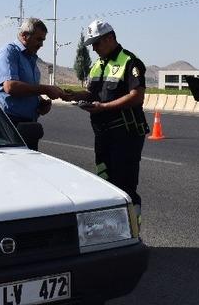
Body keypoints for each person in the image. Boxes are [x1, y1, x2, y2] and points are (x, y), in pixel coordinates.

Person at [63, 20, 149, 223]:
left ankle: (133, 232)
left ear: (109, 38)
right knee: (104, 183)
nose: (93, 48)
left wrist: (103, 107)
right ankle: (111, 230)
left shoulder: (130, 61)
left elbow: (137, 96)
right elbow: (92, 93)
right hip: (103, 135)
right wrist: (73, 95)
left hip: (125, 136)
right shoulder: (97, 65)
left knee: (125, 187)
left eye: (96, 43)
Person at [0, 18, 64, 151]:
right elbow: (10, 87)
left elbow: (28, 89)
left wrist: (40, 102)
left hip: (28, 124)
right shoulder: (8, 53)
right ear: (24, 35)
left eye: (43, 40)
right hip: (8, 123)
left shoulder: (31, 58)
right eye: (38, 39)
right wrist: (46, 89)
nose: (41, 44)